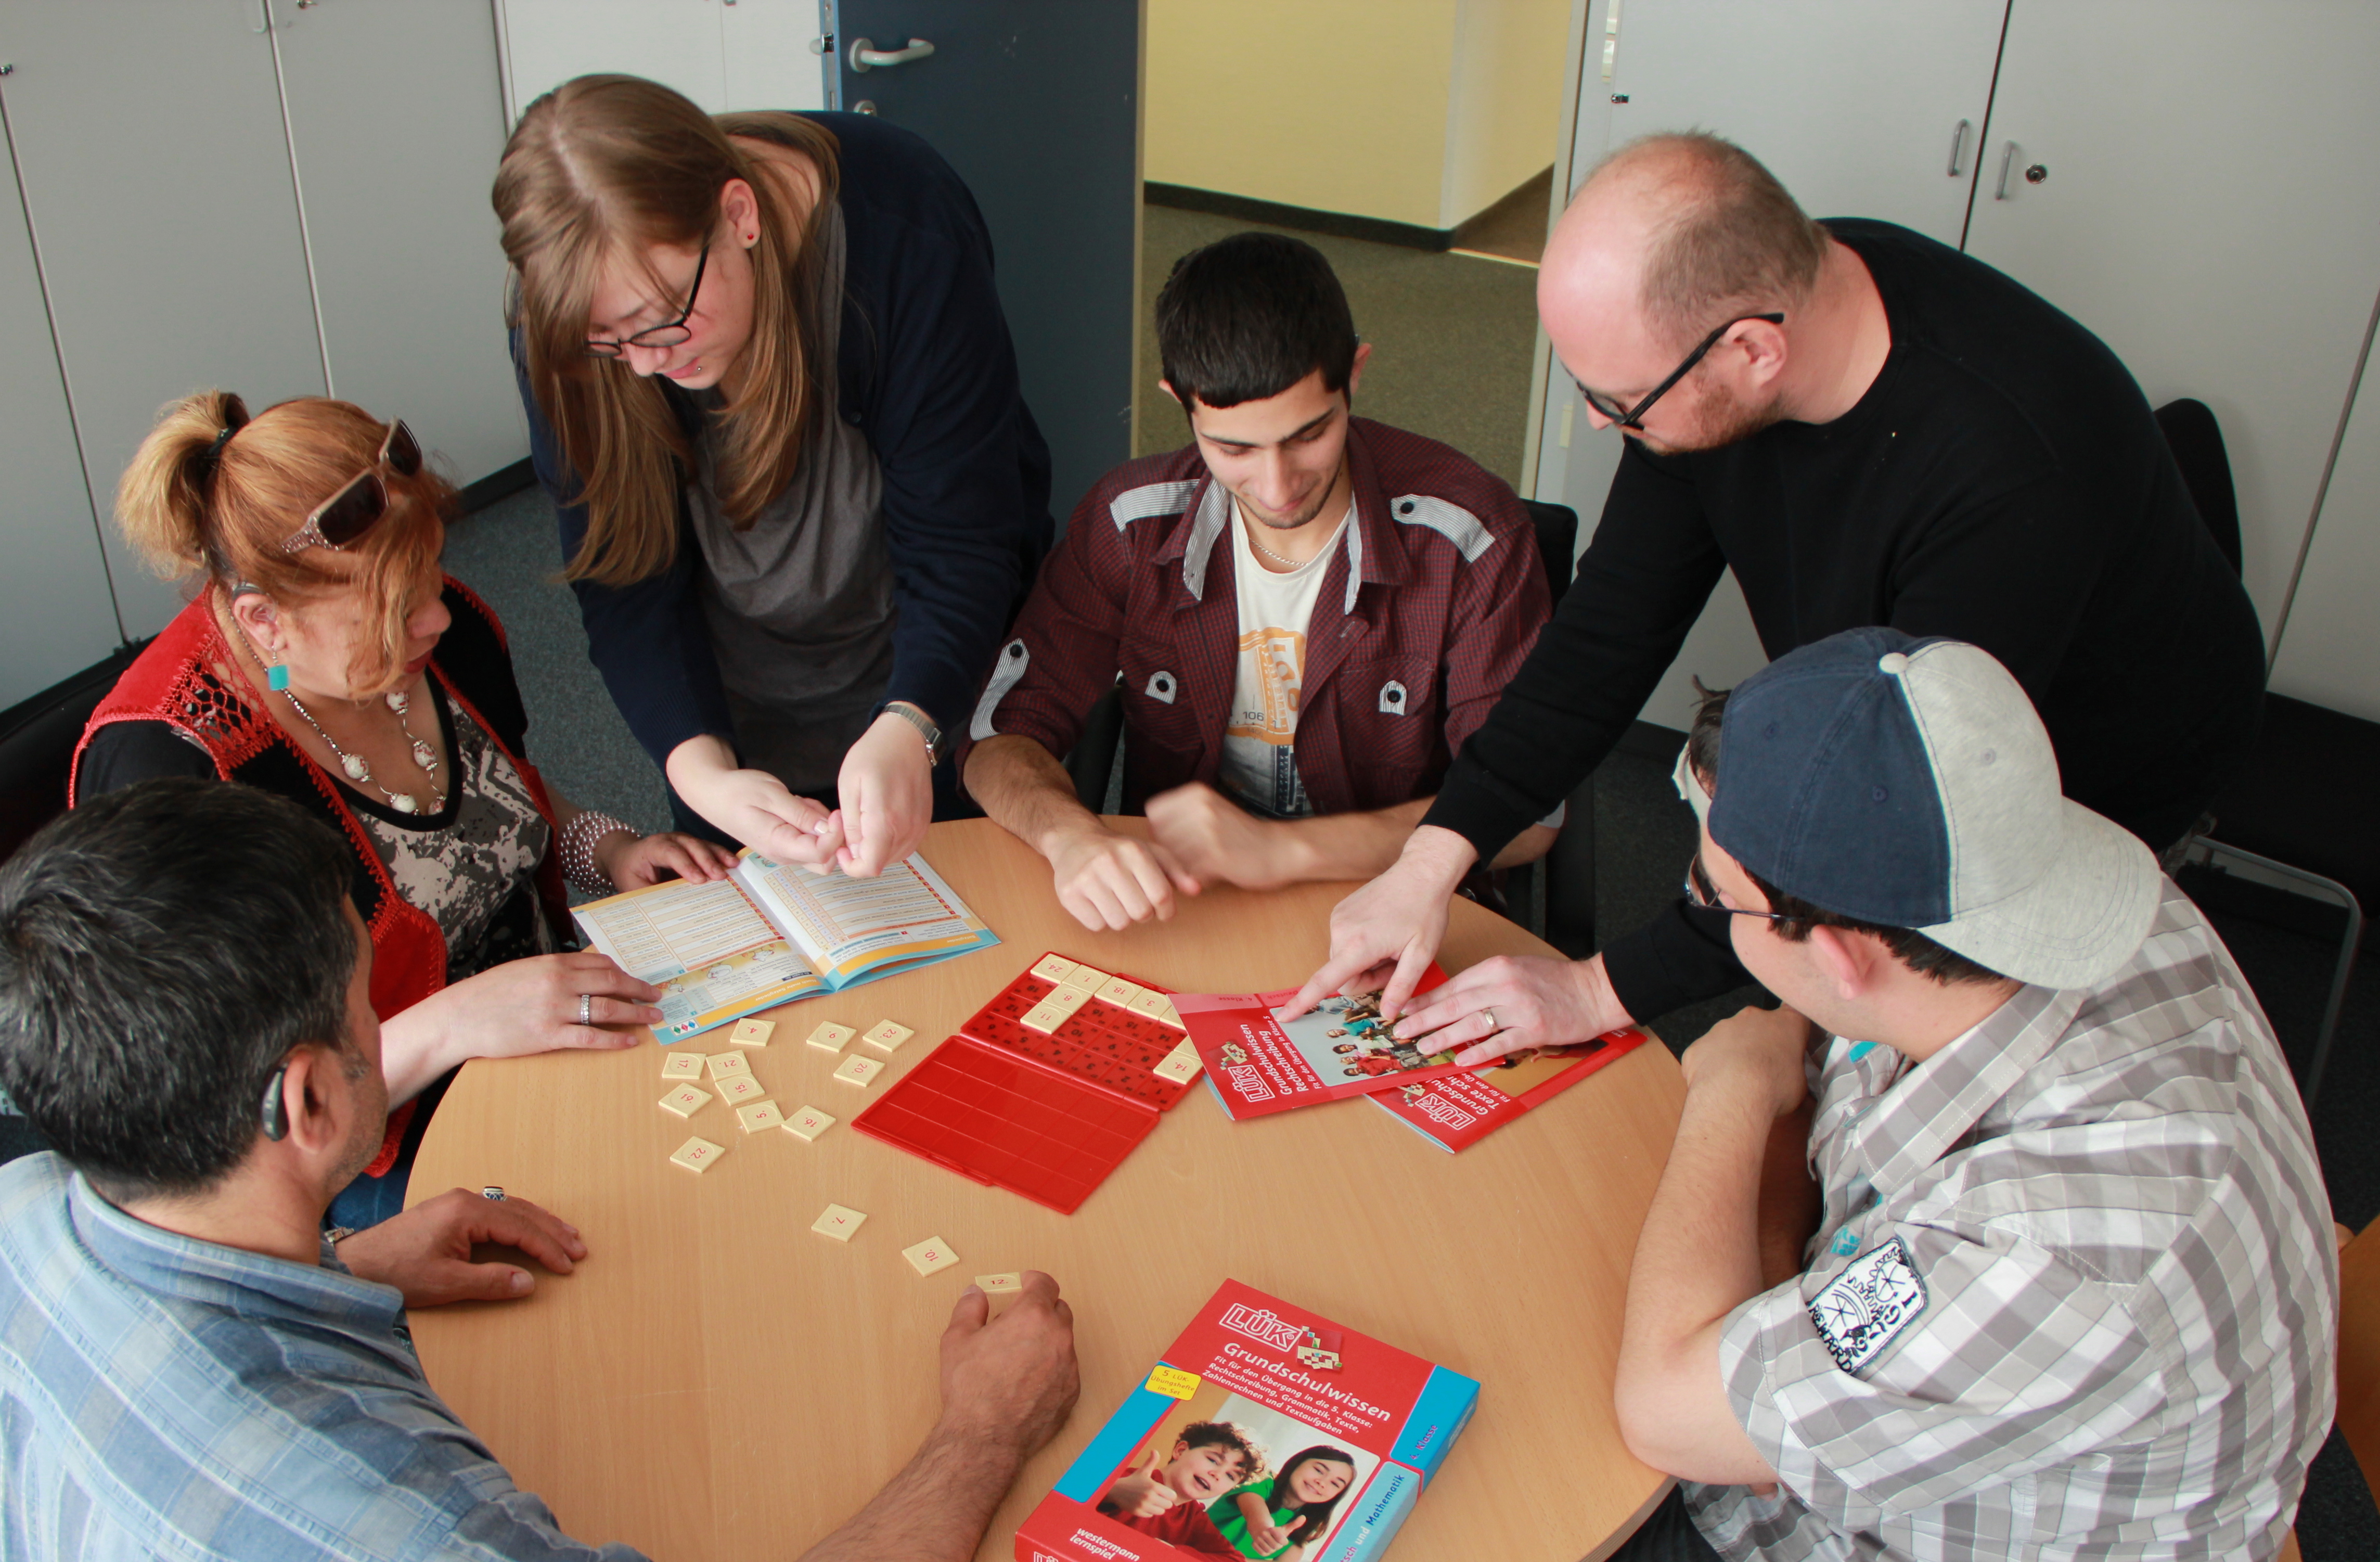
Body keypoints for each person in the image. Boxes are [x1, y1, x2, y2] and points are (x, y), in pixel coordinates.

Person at [1290, 131, 2266, 1055]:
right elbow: (1608, 633)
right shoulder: (1731, 307)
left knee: (1917, 1022)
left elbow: (1868, 824)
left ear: (1754, 352)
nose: (1596, 425)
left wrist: (1596, 990)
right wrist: (1433, 856)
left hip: (2094, 756)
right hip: (1901, 702)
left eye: (1617, 404)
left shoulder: (2014, 469)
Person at [0, 777, 1081, 1561]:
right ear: (309, 1100)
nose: (384, 1025)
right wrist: (979, 1434)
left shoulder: (25, 1203)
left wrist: (347, 1257)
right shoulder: (400, 1529)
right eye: (366, 1004)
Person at [1594, 629, 2333, 1561]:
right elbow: (1813, 1059)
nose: (1701, 900)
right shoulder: (2057, 900)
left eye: (1712, 893)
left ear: (1840, 955)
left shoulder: (2061, 1248)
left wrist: (1731, 1090)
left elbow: (1667, 1416)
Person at [74, 390, 737, 1230]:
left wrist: (602, 849)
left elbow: (506, 795)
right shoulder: (177, 775)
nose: (434, 612)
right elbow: (218, 1117)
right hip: (370, 1141)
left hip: (543, 1019)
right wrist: (461, 1019)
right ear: (264, 623)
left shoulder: (443, 628)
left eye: (431, 571)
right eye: (391, 610)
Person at [497, 75, 1053, 879]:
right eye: (611, 343)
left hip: (936, 664)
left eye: (664, 320)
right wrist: (699, 770)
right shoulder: (565, 325)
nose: (649, 363)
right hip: (733, 700)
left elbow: (961, 544)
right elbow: (623, 575)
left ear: (738, 216)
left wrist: (911, 725)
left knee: (967, 924)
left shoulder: (902, 227)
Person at [959, 233, 1556, 932]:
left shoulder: (1469, 535)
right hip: (1192, 908)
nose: (1275, 487)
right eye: (1233, 448)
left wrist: (1284, 850)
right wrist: (1068, 835)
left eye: (1308, 435)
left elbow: (1529, 813)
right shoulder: (1130, 522)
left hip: (1401, 901)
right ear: (1178, 402)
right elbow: (996, 738)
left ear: (1353, 374)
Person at [1095, 1422, 1265, 1555]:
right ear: (1181, 1450)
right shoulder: (1124, 1480)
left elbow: (1232, 1559)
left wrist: (1172, 1552)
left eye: (1231, 1476)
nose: (1217, 1474)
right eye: (1213, 1460)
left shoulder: (1195, 1518)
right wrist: (1112, 1492)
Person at [1208, 1445, 1357, 1561]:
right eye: (1319, 1470)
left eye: (1335, 1484)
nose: (1322, 1482)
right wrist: (1264, 1530)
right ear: (1298, 1463)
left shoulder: (1302, 1526)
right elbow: (1254, 1509)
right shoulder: (1261, 1480)